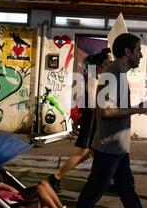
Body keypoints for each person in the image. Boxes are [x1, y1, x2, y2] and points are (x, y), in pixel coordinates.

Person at [68, 33, 147, 208]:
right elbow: (106, 111)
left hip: (118, 147)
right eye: (138, 50)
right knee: (93, 193)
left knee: (126, 189)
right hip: (108, 148)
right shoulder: (112, 74)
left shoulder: (119, 74)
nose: (141, 55)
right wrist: (137, 110)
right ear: (127, 52)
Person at [48, 49, 113, 192]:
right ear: (98, 67)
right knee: (84, 152)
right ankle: (56, 176)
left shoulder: (100, 79)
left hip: (96, 120)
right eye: (106, 63)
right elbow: (93, 103)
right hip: (91, 120)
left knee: (95, 152)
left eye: (109, 62)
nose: (109, 65)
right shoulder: (93, 80)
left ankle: (104, 180)